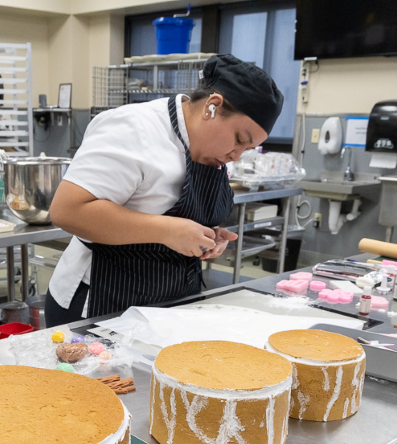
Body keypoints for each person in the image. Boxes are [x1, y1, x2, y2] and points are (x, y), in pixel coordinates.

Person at [45, 54, 284, 325]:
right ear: (212, 107)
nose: (237, 155)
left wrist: (205, 236)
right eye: (239, 139)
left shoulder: (212, 150)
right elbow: (68, 211)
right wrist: (168, 231)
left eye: (247, 149)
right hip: (100, 303)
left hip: (171, 304)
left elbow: (170, 211)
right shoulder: (134, 129)